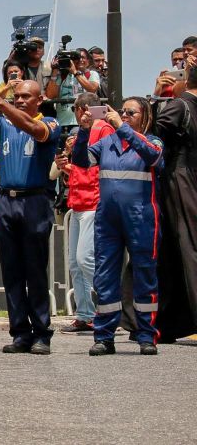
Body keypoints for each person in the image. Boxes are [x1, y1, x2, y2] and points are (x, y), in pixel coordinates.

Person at [0, 79, 61, 355]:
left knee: (35, 270)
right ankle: (20, 332)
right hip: (7, 199)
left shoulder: (51, 123)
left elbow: (33, 129)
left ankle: (42, 333)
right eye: (16, 96)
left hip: (35, 200)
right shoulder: (4, 123)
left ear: (39, 99)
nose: (19, 100)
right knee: (12, 271)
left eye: (25, 97)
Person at [72, 98, 163, 355]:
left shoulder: (152, 141)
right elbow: (81, 161)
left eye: (130, 113)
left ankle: (146, 335)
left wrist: (122, 127)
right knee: (105, 277)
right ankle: (104, 336)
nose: (124, 115)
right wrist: (83, 130)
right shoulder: (106, 143)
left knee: (145, 275)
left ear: (144, 116)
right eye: (122, 112)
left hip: (141, 218)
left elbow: (154, 157)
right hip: (108, 220)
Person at [55, 94, 114, 333]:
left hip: (93, 202)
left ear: (81, 109)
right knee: (75, 264)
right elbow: (83, 169)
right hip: (79, 202)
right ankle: (86, 314)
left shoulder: (103, 128)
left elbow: (101, 166)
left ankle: (110, 305)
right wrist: (66, 166)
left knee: (85, 260)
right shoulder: (85, 130)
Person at [155, 67, 197, 342]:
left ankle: (168, 322)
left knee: (183, 246)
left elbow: (154, 136)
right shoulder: (183, 106)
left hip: (179, 178)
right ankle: (169, 323)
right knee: (179, 247)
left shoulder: (179, 105)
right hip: (185, 177)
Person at [47, 48, 100, 127]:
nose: (80, 60)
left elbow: (92, 88)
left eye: (83, 57)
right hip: (62, 122)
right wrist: (55, 70)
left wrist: (75, 72)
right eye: (77, 58)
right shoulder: (63, 75)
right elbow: (51, 95)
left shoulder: (92, 74)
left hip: (84, 122)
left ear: (88, 61)